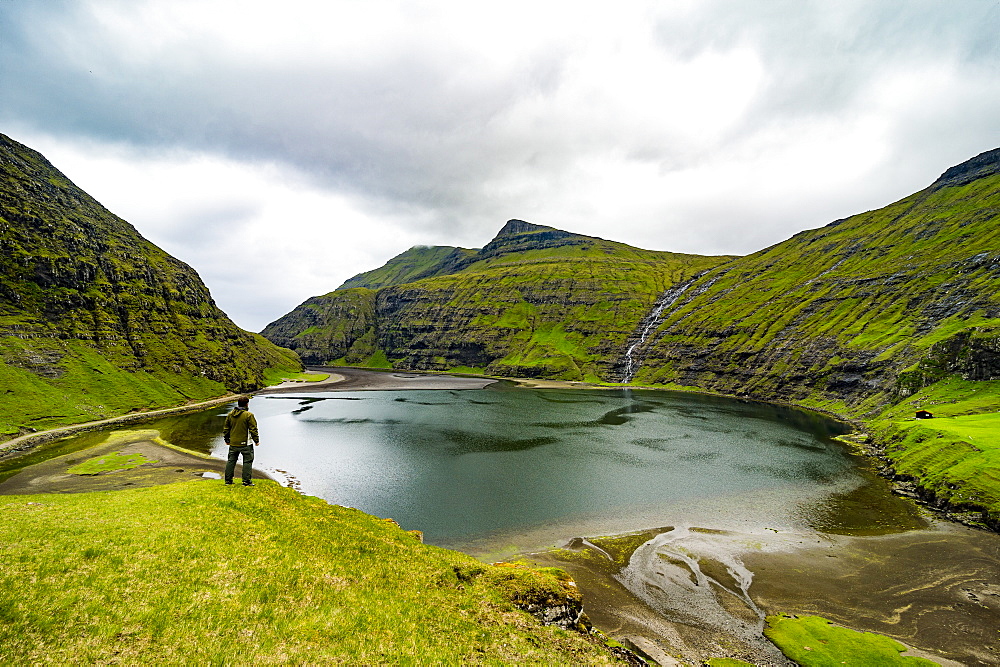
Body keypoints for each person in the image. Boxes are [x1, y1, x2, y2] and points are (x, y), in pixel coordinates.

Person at [223, 396, 260, 486]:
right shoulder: (248, 415)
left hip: (233, 443)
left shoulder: (230, 414)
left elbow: (226, 429)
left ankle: (228, 481)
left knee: (231, 461)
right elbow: (253, 429)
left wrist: (227, 439)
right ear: (247, 404)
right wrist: (256, 440)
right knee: (247, 461)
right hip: (246, 443)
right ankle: (246, 481)